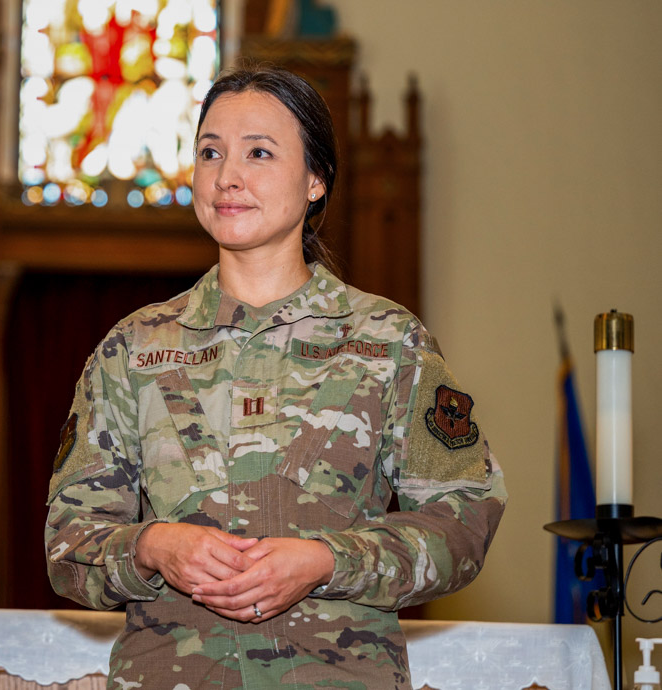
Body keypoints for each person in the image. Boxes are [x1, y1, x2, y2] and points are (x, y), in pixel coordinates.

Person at [44, 66, 507, 689]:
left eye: (258, 152)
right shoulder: (133, 349)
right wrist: (153, 547)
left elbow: (466, 512)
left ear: (316, 180)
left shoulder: (390, 341)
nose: (227, 176)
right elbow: (69, 541)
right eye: (211, 153)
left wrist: (327, 560)